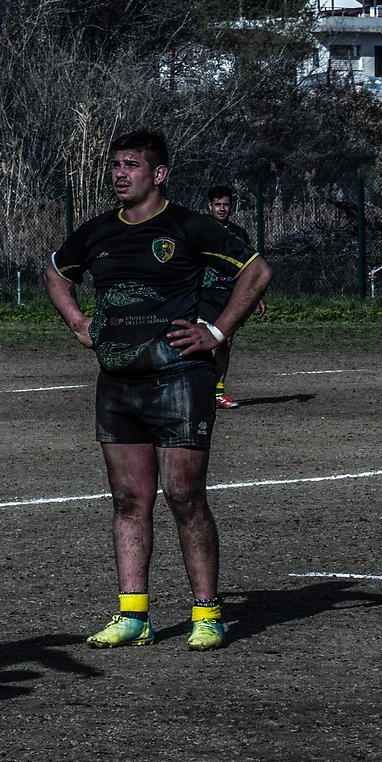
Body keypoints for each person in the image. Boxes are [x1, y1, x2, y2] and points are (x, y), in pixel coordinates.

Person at [45, 132, 272, 653]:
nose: (119, 173)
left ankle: (207, 615)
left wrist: (216, 333)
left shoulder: (187, 226)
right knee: (128, 500)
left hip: (179, 381)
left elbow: (257, 272)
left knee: (185, 497)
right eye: (115, 165)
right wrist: (78, 320)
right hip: (118, 384)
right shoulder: (98, 232)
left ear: (159, 173)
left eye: (131, 165)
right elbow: (55, 273)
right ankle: (134, 615)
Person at [201, 186, 254, 409]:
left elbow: (249, 268)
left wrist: (256, 295)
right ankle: (199, 389)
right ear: (209, 206)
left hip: (230, 295)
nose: (222, 209)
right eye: (218, 205)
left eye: (226, 205)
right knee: (204, 340)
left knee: (225, 342)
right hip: (203, 292)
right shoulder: (201, 228)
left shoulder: (239, 234)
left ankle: (217, 392)